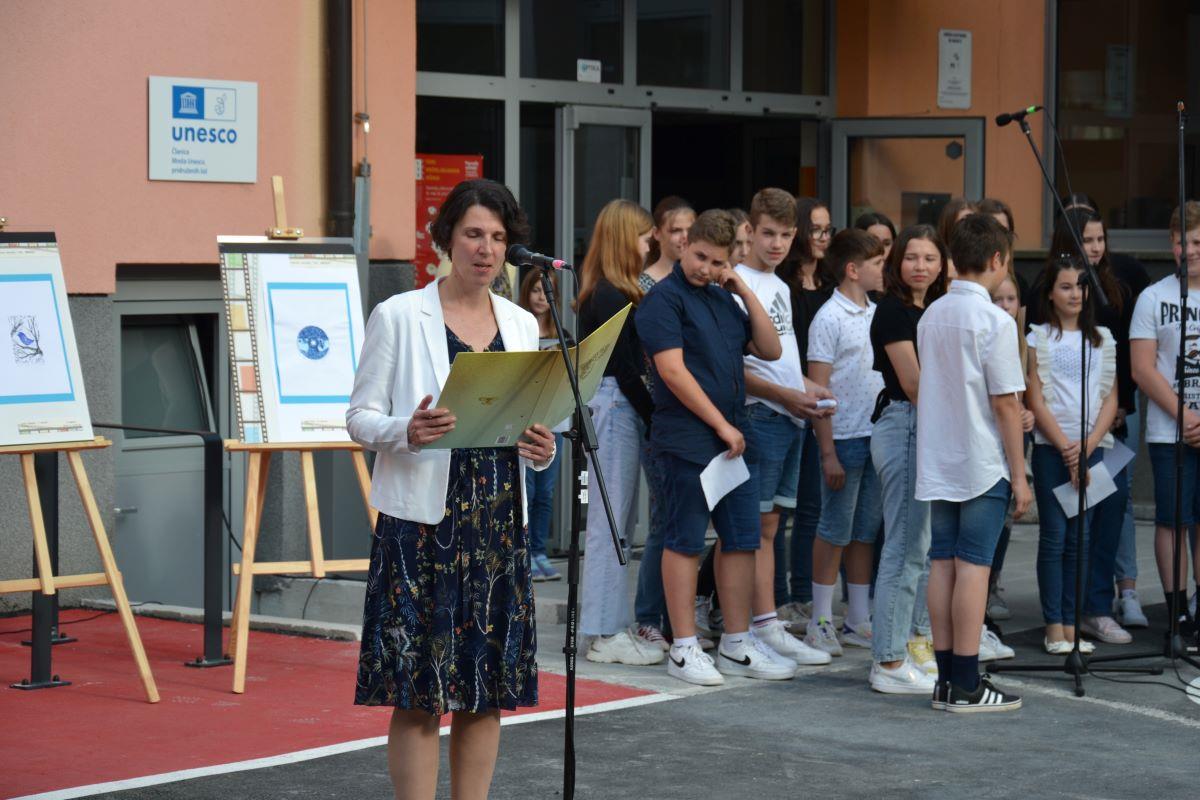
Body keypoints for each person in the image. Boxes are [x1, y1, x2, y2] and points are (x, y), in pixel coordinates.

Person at [348, 178, 557, 800]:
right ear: (446, 239)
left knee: (485, 688)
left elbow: (530, 421)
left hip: (497, 522)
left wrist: (541, 451)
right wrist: (406, 431)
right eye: (472, 234)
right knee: (418, 692)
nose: (486, 249)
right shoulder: (398, 315)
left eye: (497, 237)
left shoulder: (521, 324)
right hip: (422, 526)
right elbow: (358, 418)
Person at [635, 209, 792, 686]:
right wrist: (720, 424)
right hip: (687, 438)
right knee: (684, 539)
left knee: (742, 538)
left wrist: (742, 288)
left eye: (717, 262)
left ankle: (736, 643)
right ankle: (684, 646)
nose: (706, 268)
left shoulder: (725, 298)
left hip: (732, 438)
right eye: (700, 256)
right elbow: (672, 371)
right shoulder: (662, 301)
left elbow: (771, 350)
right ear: (685, 245)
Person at [917, 213, 1031, 713]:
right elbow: (1005, 403)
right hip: (982, 459)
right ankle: (965, 682)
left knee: (943, 563)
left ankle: (947, 679)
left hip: (939, 455)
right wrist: (1020, 475)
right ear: (997, 259)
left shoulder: (931, 314)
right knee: (974, 567)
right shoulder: (995, 320)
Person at [735, 188, 833, 667]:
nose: (776, 244)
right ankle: (757, 626)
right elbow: (735, 368)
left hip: (789, 416)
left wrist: (809, 388)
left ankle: (766, 623)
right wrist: (788, 394)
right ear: (749, 231)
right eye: (768, 233)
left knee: (772, 526)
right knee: (755, 528)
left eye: (786, 235)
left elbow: (783, 359)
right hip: (761, 415)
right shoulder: (737, 283)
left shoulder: (779, 284)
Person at [575, 199, 663, 665]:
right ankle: (603, 632)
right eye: (645, 237)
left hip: (616, 402)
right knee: (610, 523)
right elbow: (626, 369)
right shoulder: (610, 294)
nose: (650, 245)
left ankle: (608, 626)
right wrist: (654, 414)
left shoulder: (611, 291)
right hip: (614, 402)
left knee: (617, 523)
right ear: (626, 238)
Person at [1060, 195, 1152, 630]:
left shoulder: (1126, 276)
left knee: (1115, 501)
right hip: (1069, 420)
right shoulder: (1056, 284)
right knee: (1076, 509)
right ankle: (1068, 606)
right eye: (1086, 240)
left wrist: (1122, 405)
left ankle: (1116, 593)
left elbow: (1131, 351)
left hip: (1117, 413)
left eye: (1100, 239)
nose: (1095, 248)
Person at [1026, 254, 1125, 653]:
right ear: (1050, 292)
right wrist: (1067, 449)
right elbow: (1035, 398)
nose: (1074, 294)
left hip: (1092, 450)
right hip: (1052, 451)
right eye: (1065, 287)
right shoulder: (1038, 338)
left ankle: (1072, 623)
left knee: (1080, 539)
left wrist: (1086, 446)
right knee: (1055, 537)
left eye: (1081, 287)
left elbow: (1110, 398)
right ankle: (1054, 625)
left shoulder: (1102, 338)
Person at [867, 225, 947, 693]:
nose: (920, 266)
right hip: (905, 424)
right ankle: (888, 661)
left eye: (930, 258)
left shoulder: (935, 308)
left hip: (930, 427)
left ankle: (913, 646)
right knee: (903, 544)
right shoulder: (893, 311)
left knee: (923, 545)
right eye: (912, 257)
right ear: (897, 262)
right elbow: (914, 386)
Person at [802, 228, 886, 657]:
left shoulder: (877, 312)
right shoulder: (829, 317)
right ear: (853, 269)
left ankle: (857, 617)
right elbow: (818, 389)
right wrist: (828, 452)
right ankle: (820, 618)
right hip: (844, 437)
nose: (884, 269)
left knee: (864, 532)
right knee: (834, 529)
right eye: (877, 263)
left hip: (875, 436)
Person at [1129, 201, 1200, 640]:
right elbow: (1142, 368)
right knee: (1173, 520)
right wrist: (1185, 414)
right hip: (1168, 429)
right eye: (1181, 242)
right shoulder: (1153, 298)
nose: (1188, 250)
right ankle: (1176, 614)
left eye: (1197, 241)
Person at [637, 202, 698, 649]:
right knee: (664, 518)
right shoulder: (644, 286)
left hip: (694, 415)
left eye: (689, 230)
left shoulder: (697, 284)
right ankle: (648, 616)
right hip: (657, 412)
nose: (683, 237)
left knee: (684, 521)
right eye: (675, 229)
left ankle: (681, 619)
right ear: (658, 233)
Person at [774, 197, 836, 631]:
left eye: (827, 229)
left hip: (821, 403)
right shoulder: (783, 284)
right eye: (815, 229)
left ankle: (802, 595)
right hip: (786, 401)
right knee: (779, 510)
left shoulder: (830, 281)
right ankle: (778, 599)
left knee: (812, 505)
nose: (823, 238)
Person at [517, 269, 567, 582]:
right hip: (525, 418)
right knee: (529, 491)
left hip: (555, 419)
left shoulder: (561, 331)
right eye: (535, 290)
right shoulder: (516, 326)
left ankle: (539, 551)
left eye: (546, 292)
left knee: (546, 492)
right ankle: (524, 553)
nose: (540, 297)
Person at [644, 196, 695, 284]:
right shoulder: (642, 285)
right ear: (656, 233)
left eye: (691, 230)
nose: (685, 236)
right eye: (676, 231)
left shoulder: (706, 280)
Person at [936, 197, 978, 278]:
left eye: (974, 221)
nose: (969, 226)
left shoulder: (984, 258)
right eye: (963, 222)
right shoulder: (937, 257)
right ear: (949, 224)